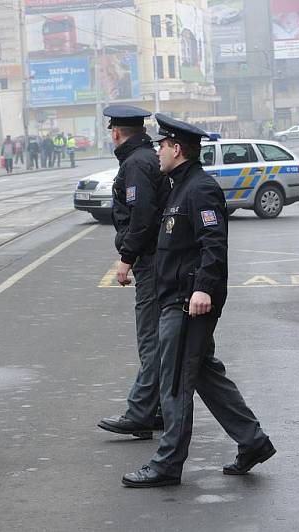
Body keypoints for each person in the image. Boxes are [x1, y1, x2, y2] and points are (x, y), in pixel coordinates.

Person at [122, 114, 275, 488]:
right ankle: (253, 441)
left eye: (162, 145)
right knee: (204, 374)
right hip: (178, 298)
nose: (157, 151)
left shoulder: (199, 188)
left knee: (174, 379)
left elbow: (213, 242)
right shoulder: (179, 186)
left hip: (189, 301)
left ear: (177, 148)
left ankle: (167, 464)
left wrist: (203, 288)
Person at [98, 105, 168, 441]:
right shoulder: (145, 158)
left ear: (115, 133)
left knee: (151, 339)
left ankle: (141, 413)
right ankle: (156, 409)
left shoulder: (136, 164)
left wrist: (126, 259)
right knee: (161, 339)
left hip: (152, 260)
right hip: (158, 259)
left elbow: (141, 216)